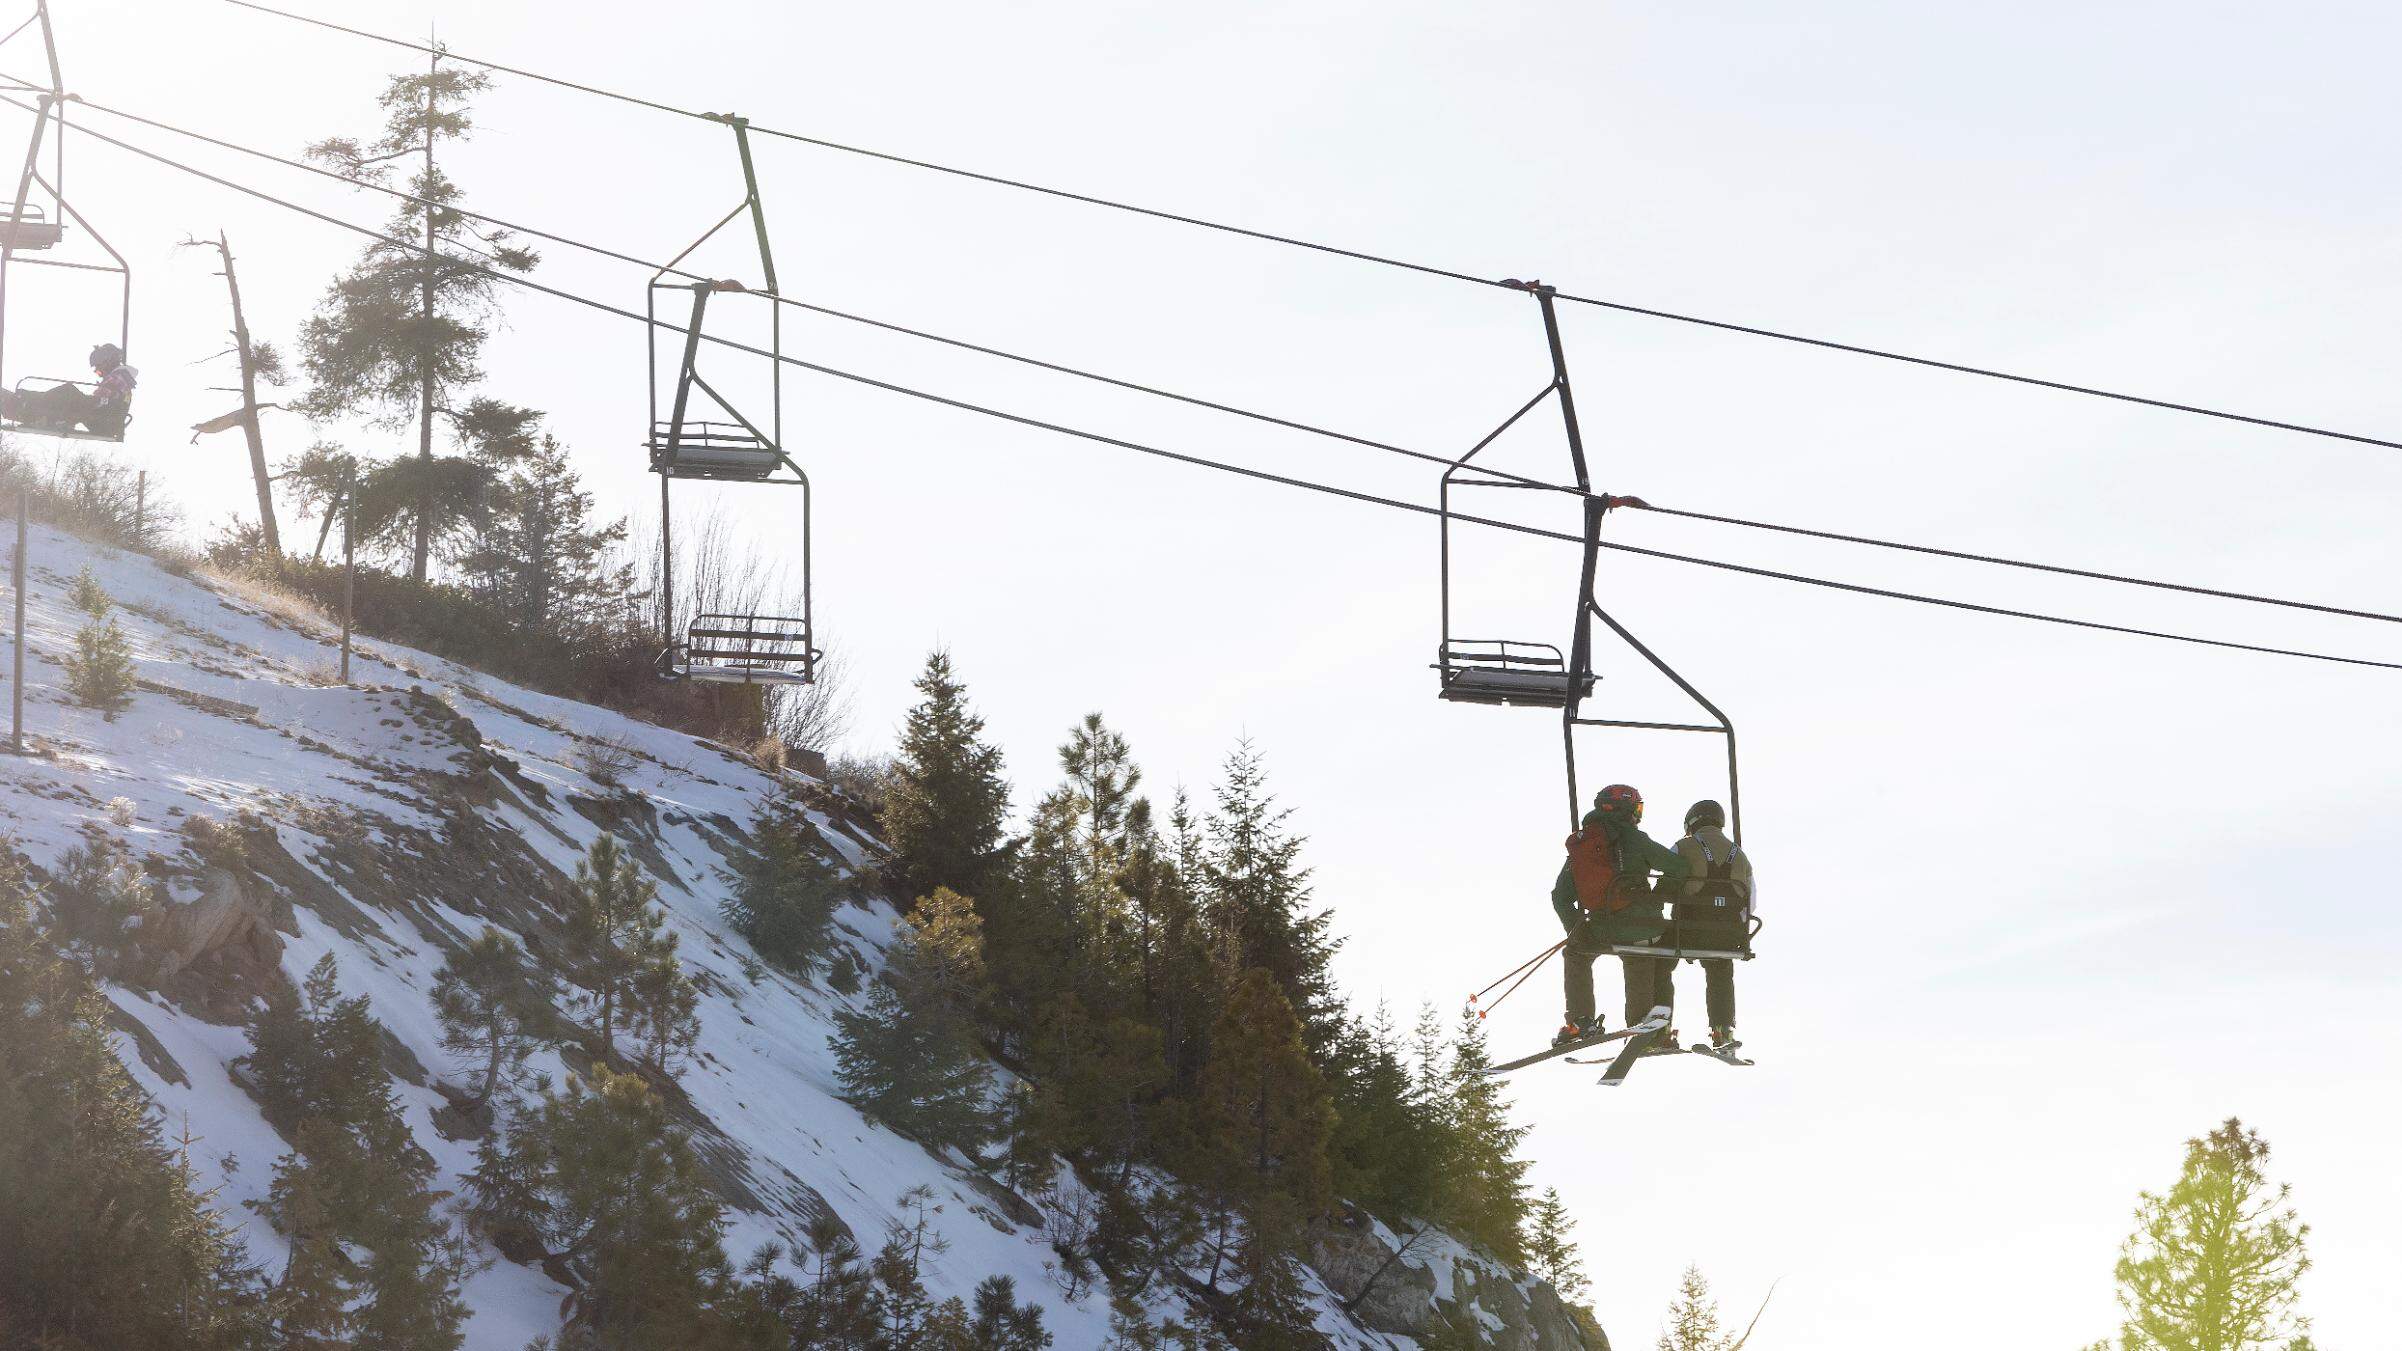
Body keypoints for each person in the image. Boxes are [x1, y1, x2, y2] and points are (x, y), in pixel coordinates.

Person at [1551, 783, 1690, 1046]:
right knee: (1641, 955)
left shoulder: (1585, 845)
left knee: (1575, 953)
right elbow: (1679, 867)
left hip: (1602, 925)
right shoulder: (1635, 839)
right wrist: (1658, 893)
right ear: (1628, 810)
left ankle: (1580, 1021)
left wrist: (1576, 927)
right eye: (1637, 808)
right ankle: (1645, 1030)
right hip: (1642, 924)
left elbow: (1560, 896)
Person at [1669, 799, 1753, 1052]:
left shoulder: (1683, 846)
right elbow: (1751, 899)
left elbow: (1666, 883)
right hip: (1727, 935)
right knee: (1720, 968)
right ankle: (1723, 1029)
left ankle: (1658, 1027)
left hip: (1688, 932)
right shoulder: (1740, 855)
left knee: (1659, 960)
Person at [1, 342, 136, 438]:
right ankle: (30, 406)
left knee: (68, 391)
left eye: (99, 369)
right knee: (68, 396)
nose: (98, 373)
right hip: (105, 421)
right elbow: (101, 400)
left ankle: (23, 403)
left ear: (108, 362)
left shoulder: (118, 377)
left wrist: (77, 401)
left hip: (103, 421)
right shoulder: (123, 378)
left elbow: (99, 400)